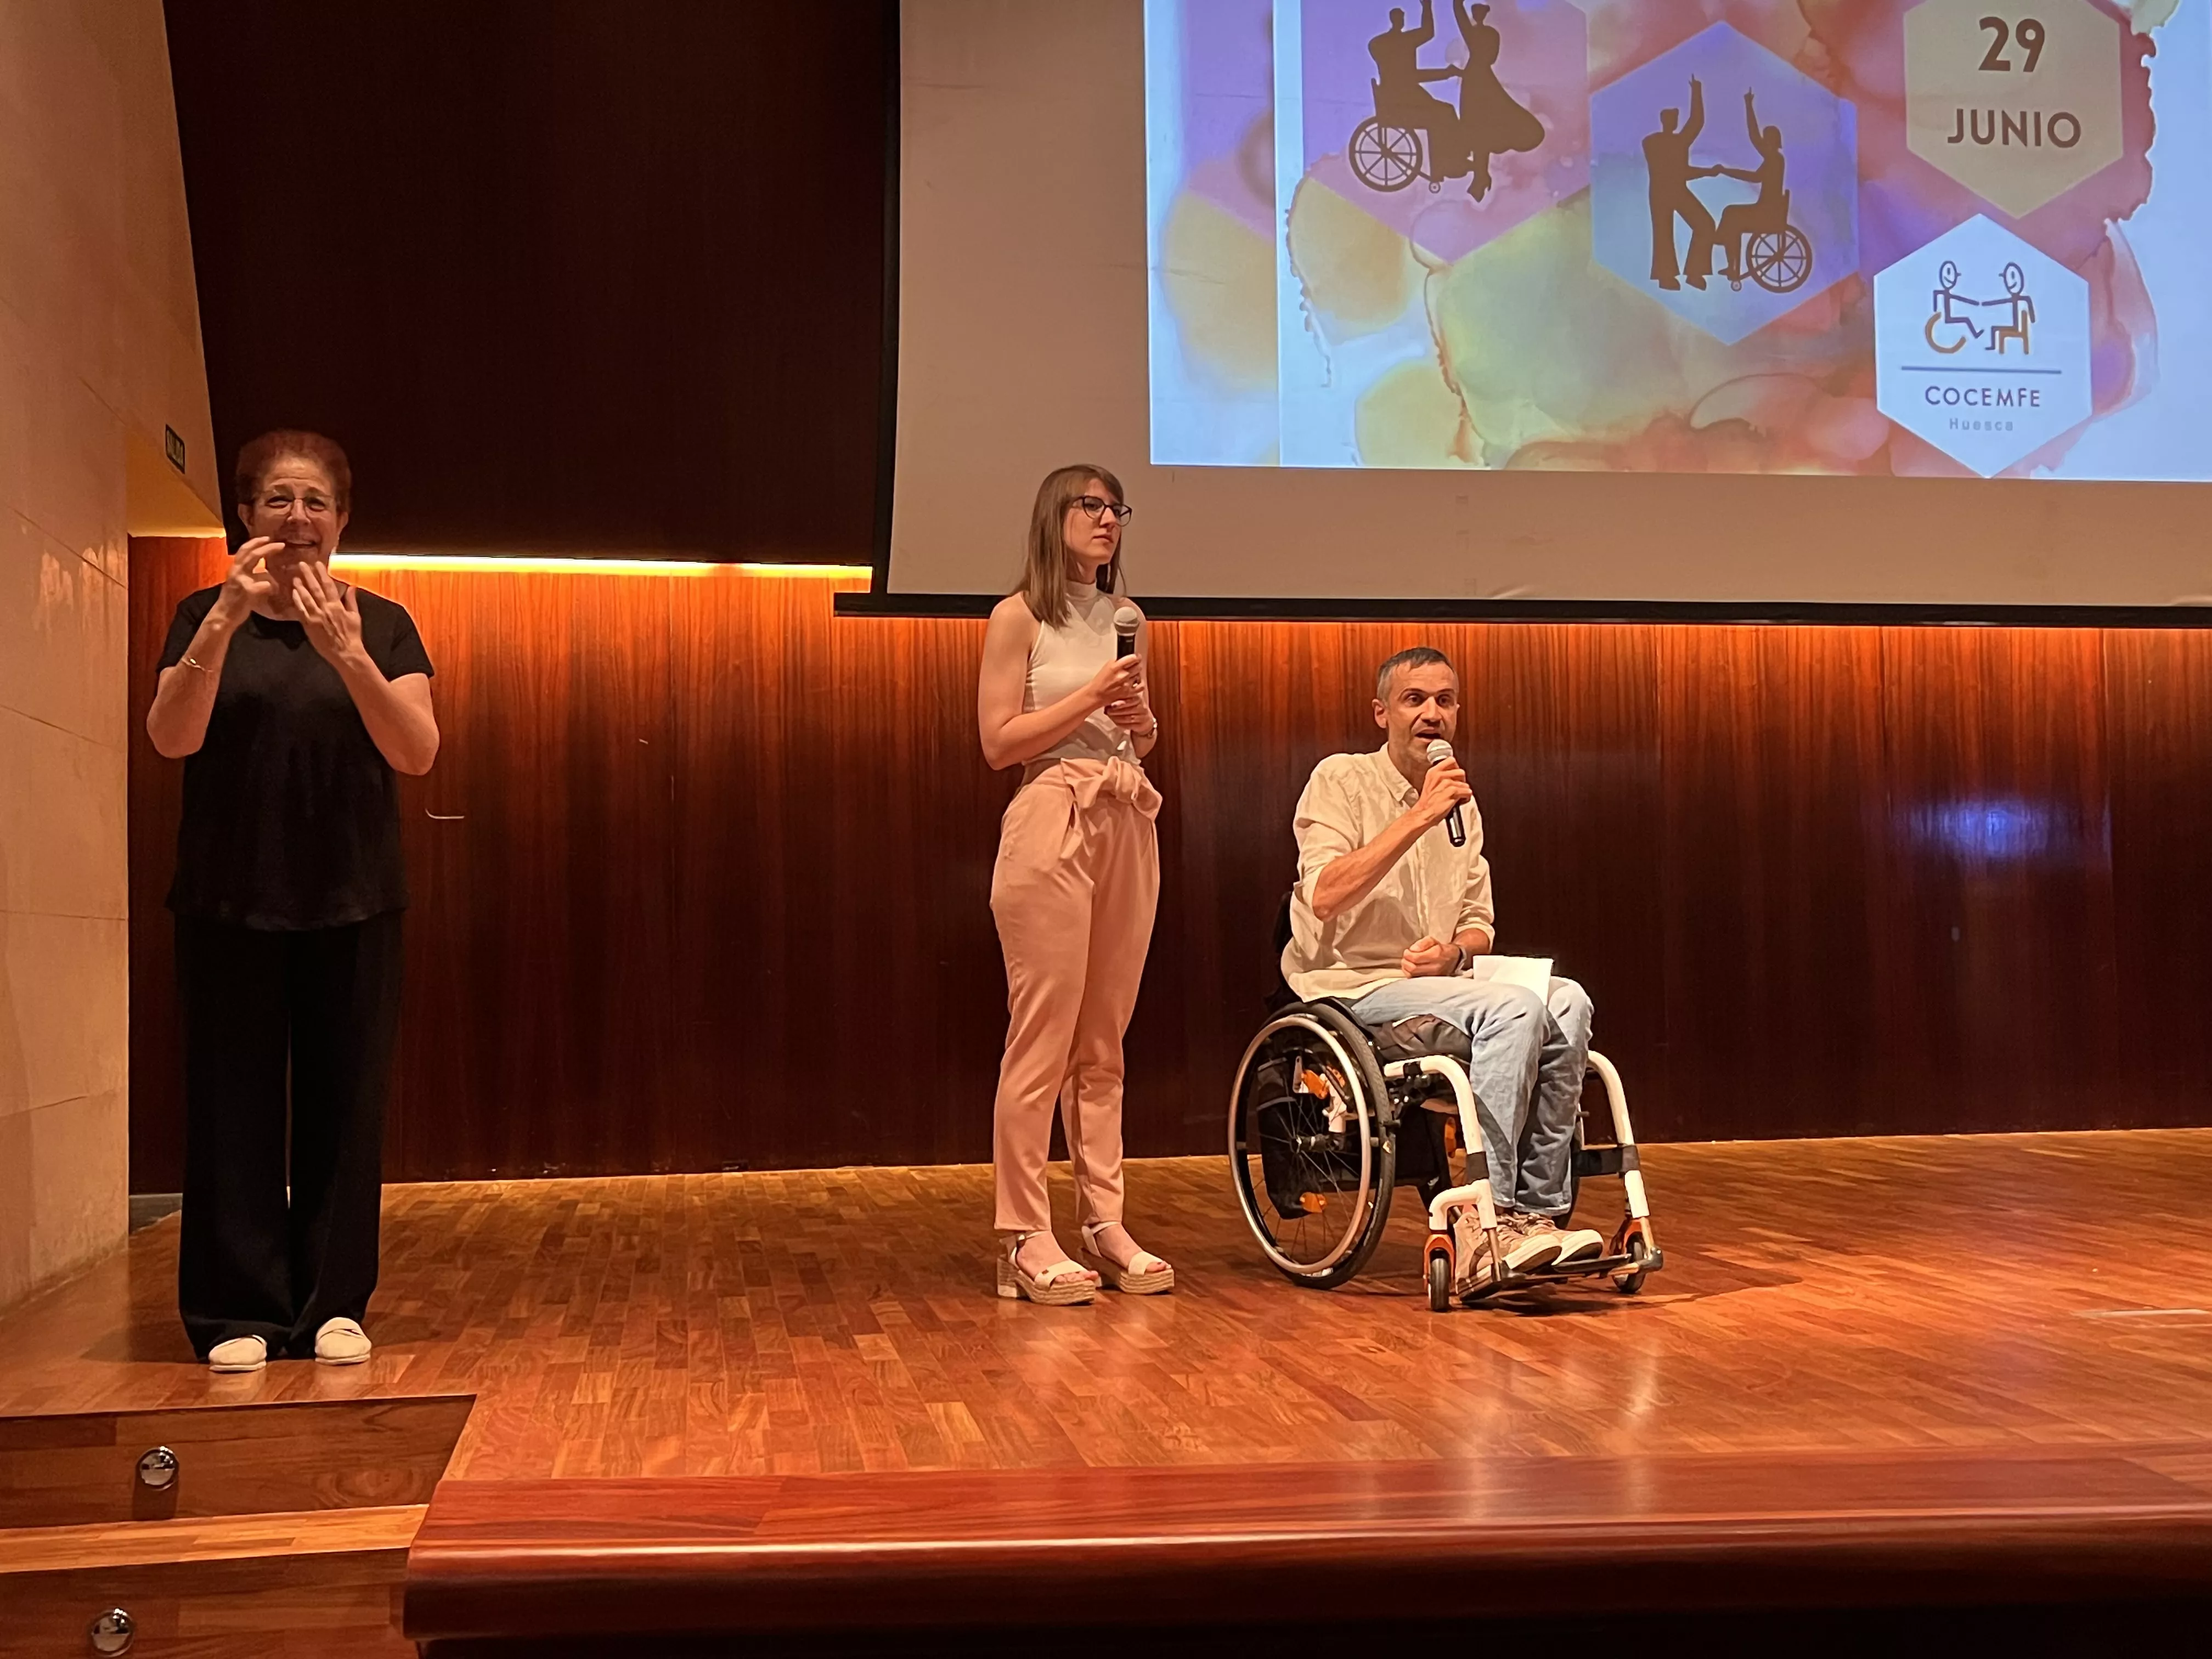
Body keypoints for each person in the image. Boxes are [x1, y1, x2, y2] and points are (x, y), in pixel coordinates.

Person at [146, 431, 438, 1372]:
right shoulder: (200, 613)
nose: (298, 519)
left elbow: (416, 750)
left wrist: (346, 653)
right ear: (245, 516)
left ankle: (330, 1304)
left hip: (353, 897)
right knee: (228, 1104)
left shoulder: (385, 623)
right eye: (278, 499)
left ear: (343, 521)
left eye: (316, 502)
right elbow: (168, 735)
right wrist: (224, 622)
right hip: (229, 899)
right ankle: (236, 1308)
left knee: (344, 1104)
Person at [1282, 646, 1603, 1297]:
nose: (1433, 714)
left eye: (1445, 701)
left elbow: (1480, 922)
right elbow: (1324, 894)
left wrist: (1455, 954)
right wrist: (1418, 815)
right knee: (1514, 1009)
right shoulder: (1341, 780)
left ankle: (1536, 1212)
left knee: (1567, 1000)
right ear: (1382, 713)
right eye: (1415, 700)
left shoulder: (1462, 802)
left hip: (1442, 987)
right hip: (1355, 989)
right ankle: (1492, 1221)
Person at [975, 464, 1172, 1305]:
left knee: (1105, 1038)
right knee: (1043, 1036)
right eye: (1090, 506)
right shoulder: (1018, 616)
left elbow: (1144, 735)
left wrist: (1139, 721)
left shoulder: (1128, 618)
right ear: (1053, 516)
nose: (1107, 520)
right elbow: (998, 743)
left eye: (1115, 508)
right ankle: (1024, 1234)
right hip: (1051, 812)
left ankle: (1104, 1222)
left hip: (1125, 811)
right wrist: (1091, 693)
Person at [1451, 1, 1543, 200]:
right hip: (1480, 77)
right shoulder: (1490, 35)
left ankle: (1481, 176)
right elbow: (1491, 57)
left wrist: (1458, 5)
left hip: (1476, 79)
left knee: (1478, 125)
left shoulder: (1483, 34)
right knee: (1476, 126)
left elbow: (1461, 20)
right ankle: (1480, 175)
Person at [1369, 1, 1465, 174]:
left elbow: (1426, 35)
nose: (1401, 21)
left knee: (1445, 111)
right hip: (1404, 102)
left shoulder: (1379, 44)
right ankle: (1450, 163)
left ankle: (1454, 159)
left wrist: (1446, 73)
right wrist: (1427, 7)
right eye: (1400, 18)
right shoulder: (1401, 42)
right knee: (1444, 113)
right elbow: (1427, 33)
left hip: (1400, 98)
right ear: (1396, 20)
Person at [1704, 91, 1789, 286]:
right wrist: (1749, 106)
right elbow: (1754, 136)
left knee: (1732, 214)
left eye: (1767, 140)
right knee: (1733, 216)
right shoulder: (1773, 158)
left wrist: (1728, 171)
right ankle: (1731, 261)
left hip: (1767, 213)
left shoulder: (1775, 161)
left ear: (1773, 143)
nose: (1764, 142)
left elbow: (1755, 177)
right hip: (1766, 209)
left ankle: (1723, 242)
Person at [1644, 77, 1715, 290]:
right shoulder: (1654, 142)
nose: (1676, 122)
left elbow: (1696, 122)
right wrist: (1706, 172)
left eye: (1676, 119)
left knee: (1704, 224)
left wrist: (1697, 91)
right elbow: (1678, 172)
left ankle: (1694, 272)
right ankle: (1668, 277)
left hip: (1673, 190)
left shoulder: (1667, 142)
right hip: (1664, 192)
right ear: (1667, 121)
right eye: (1673, 119)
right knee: (1664, 233)